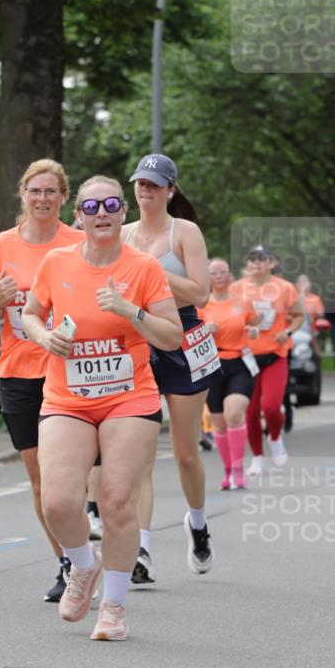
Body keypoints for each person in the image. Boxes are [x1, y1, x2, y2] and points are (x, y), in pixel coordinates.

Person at [22, 175, 182, 641]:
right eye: (91, 207)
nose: (102, 213)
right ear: (79, 216)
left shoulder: (143, 267)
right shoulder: (57, 262)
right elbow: (30, 313)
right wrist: (44, 336)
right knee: (57, 502)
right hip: (67, 397)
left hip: (129, 397)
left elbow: (172, 336)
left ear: (123, 212)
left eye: (111, 204)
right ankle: (82, 564)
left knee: (115, 499)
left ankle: (113, 606)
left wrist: (132, 311)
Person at [0, 159, 82, 602]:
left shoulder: (78, 243)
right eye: (35, 191)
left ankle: (88, 546)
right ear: (22, 195)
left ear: (63, 197)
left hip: (69, 372)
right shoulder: (1, 246)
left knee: (73, 478)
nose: (42, 199)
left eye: (50, 191)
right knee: (41, 479)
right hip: (18, 372)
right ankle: (68, 563)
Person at [122, 153, 220, 582]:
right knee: (141, 455)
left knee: (184, 453)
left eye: (154, 184)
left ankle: (197, 524)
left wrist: (150, 271)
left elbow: (200, 293)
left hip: (183, 336)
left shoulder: (185, 232)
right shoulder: (122, 233)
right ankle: (141, 550)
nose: (145, 190)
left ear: (170, 190)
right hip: (138, 334)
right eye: (140, 183)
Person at [231, 246, 305, 475]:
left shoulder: (284, 288)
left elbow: (299, 316)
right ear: (247, 264)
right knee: (251, 411)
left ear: (272, 263)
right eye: (252, 259)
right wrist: (247, 326)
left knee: (271, 407)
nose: (257, 263)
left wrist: (288, 332)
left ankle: (275, 437)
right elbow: (230, 318)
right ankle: (257, 457)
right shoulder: (237, 288)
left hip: (275, 355)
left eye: (262, 259)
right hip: (247, 358)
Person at [202, 258, 260, 490]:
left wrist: (253, 331)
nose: (218, 276)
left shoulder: (243, 302)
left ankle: (238, 470)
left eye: (222, 271)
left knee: (234, 414)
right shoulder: (200, 305)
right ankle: (227, 471)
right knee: (219, 424)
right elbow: (186, 337)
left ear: (230, 275)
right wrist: (203, 331)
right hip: (212, 365)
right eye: (214, 272)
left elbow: (254, 325)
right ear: (207, 277)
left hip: (239, 363)